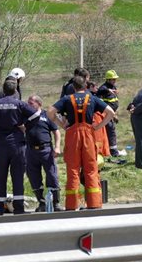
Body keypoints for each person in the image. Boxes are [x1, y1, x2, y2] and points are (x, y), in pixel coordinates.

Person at [47, 76, 114, 210]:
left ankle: (71, 205)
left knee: (73, 170)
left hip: (72, 135)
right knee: (91, 169)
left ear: (73, 87)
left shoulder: (67, 99)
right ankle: (94, 204)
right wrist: (99, 126)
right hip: (89, 135)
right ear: (85, 86)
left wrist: (62, 125)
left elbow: (50, 112)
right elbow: (110, 112)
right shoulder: (93, 98)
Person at [0, 80, 40, 215]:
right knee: (17, 176)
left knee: (0, 176)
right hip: (17, 144)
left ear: (3, 90)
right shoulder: (20, 103)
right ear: (15, 90)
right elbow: (36, 114)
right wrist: (26, 126)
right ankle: (19, 208)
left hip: (1, 144)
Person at [25, 94, 63, 212]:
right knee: (34, 177)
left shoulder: (46, 115)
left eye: (31, 103)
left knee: (52, 176)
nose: (28, 105)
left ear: (39, 104)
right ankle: (41, 203)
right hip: (31, 151)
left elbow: (56, 132)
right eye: (28, 103)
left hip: (46, 150)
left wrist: (57, 147)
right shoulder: (25, 116)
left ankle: (56, 203)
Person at [97, 70, 125, 157]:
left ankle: (108, 150)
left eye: (115, 79)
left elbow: (112, 103)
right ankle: (114, 152)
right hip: (106, 115)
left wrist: (114, 114)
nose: (114, 81)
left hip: (111, 114)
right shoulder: (104, 88)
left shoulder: (113, 87)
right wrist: (108, 90)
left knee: (110, 131)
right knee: (110, 131)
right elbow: (100, 90)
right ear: (108, 80)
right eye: (113, 79)